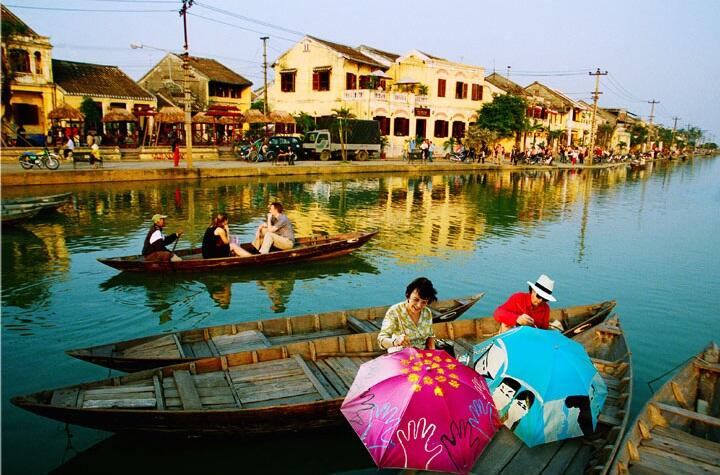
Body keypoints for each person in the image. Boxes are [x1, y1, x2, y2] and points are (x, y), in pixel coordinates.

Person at [377, 277, 438, 351]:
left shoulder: (427, 312)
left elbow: (430, 337)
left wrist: (433, 353)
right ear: (408, 295)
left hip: (421, 355)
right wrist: (396, 342)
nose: (419, 305)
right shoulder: (395, 311)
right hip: (399, 355)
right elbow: (381, 340)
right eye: (416, 299)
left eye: (424, 302)